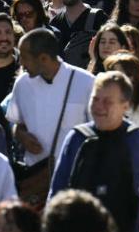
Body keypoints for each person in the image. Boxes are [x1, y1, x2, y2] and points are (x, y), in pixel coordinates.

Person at [50, 72, 139, 232]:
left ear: (125, 105)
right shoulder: (77, 138)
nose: (99, 106)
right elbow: (58, 191)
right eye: (95, 99)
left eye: (108, 101)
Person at [7, 28, 97, 206]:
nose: (21, 62)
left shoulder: (86, 82)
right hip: (35, 181)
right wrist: (22, 136)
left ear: (43, 58)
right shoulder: (22, 84)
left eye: (24, 57)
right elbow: (15, 123)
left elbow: (96, 132)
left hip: (75, 180)